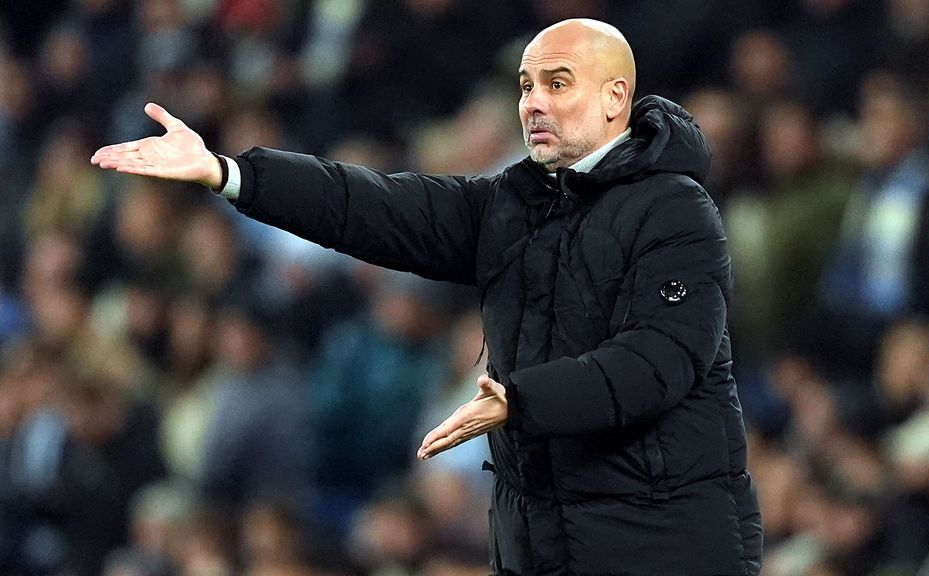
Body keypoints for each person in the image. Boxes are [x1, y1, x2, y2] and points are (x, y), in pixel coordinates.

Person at [92, 18, 763, 576]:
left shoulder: (675, 209)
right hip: (546, 544)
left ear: (616, 98)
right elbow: (371, 205)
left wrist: (524, 399)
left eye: (558, 84)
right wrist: (231, 172)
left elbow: (660, 361)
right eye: (526, 85)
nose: (532, 102)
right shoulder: (512, 204)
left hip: (666, 545)